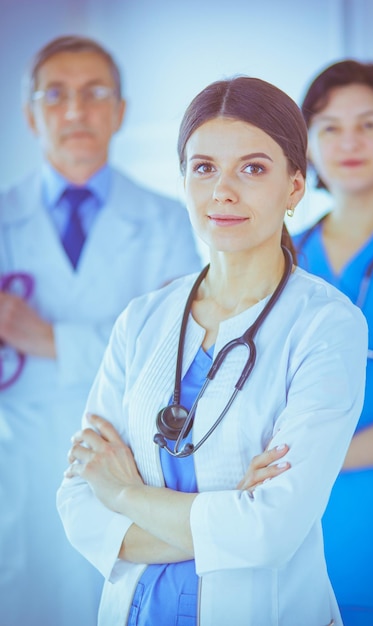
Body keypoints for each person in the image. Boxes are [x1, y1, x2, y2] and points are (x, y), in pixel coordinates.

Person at [57, 75, 368, 626]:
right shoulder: (142, 320)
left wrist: (124, 494)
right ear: (183, 179)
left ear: (295, 186)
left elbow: (269, 534)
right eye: (204, 168)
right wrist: (224, 521)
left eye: (253, 168)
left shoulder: (326, 325)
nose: (223, 191)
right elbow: (80, 503)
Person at [0, 35, 201, 626]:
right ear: (30, 112)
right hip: (18, 457)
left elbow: (171, 357)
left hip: (125, 462)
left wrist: (48, 339)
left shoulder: (167, 220)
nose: (75, 110)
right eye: (55, 94)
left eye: (94, 94)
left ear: (120, 112)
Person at [293, 60, 373, 626]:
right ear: (306, 147)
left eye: (368, 124)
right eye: (329, 127)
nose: (349, 142)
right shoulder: (276, 259)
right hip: (287, 536)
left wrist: (328, 457)